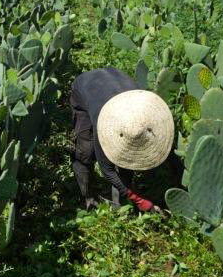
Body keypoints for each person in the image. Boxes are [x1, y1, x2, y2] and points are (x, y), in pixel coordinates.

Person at [70, 67, 174, 212]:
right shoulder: (103, 123)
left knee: (127, 161)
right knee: (86, 152)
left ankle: (117, 204)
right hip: (86, 87)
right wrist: (140, 200)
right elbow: (107, 171)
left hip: (114, 81)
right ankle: (88, 198)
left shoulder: (145, 111)